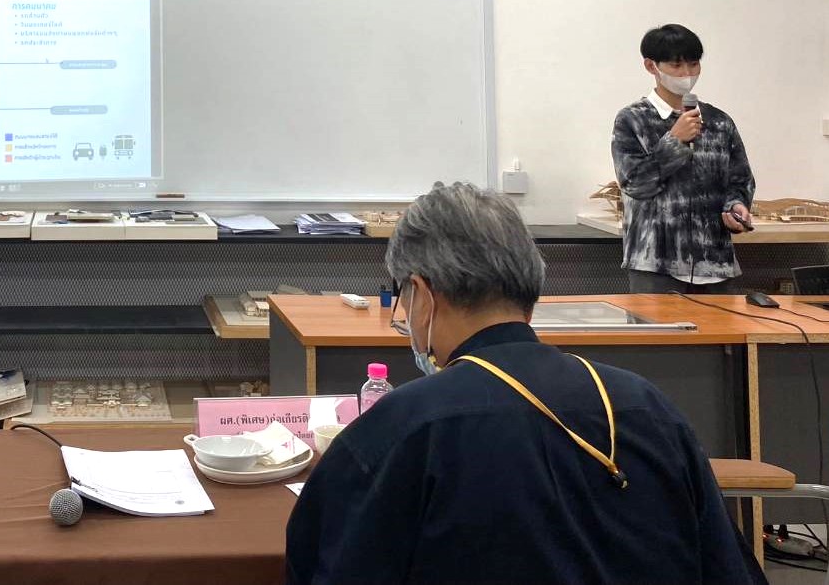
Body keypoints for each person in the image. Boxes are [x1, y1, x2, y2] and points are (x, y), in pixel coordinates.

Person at [285, 183, 763, 585]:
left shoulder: (402, 430)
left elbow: (325, 563)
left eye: (403, 298)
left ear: (424, 295)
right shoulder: (647, 407)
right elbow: (727, 567)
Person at [611, 23, 755, 293]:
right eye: (676, 66)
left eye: (693, 64)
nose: (687, 73)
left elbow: (740, 180)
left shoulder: (718, 121)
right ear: (651, 66)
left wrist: (736, 206)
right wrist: (674, 141)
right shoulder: (633, 119)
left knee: (725, 324)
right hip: (656, 264)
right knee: (654, 324)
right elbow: (634, 184)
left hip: (715, 263)